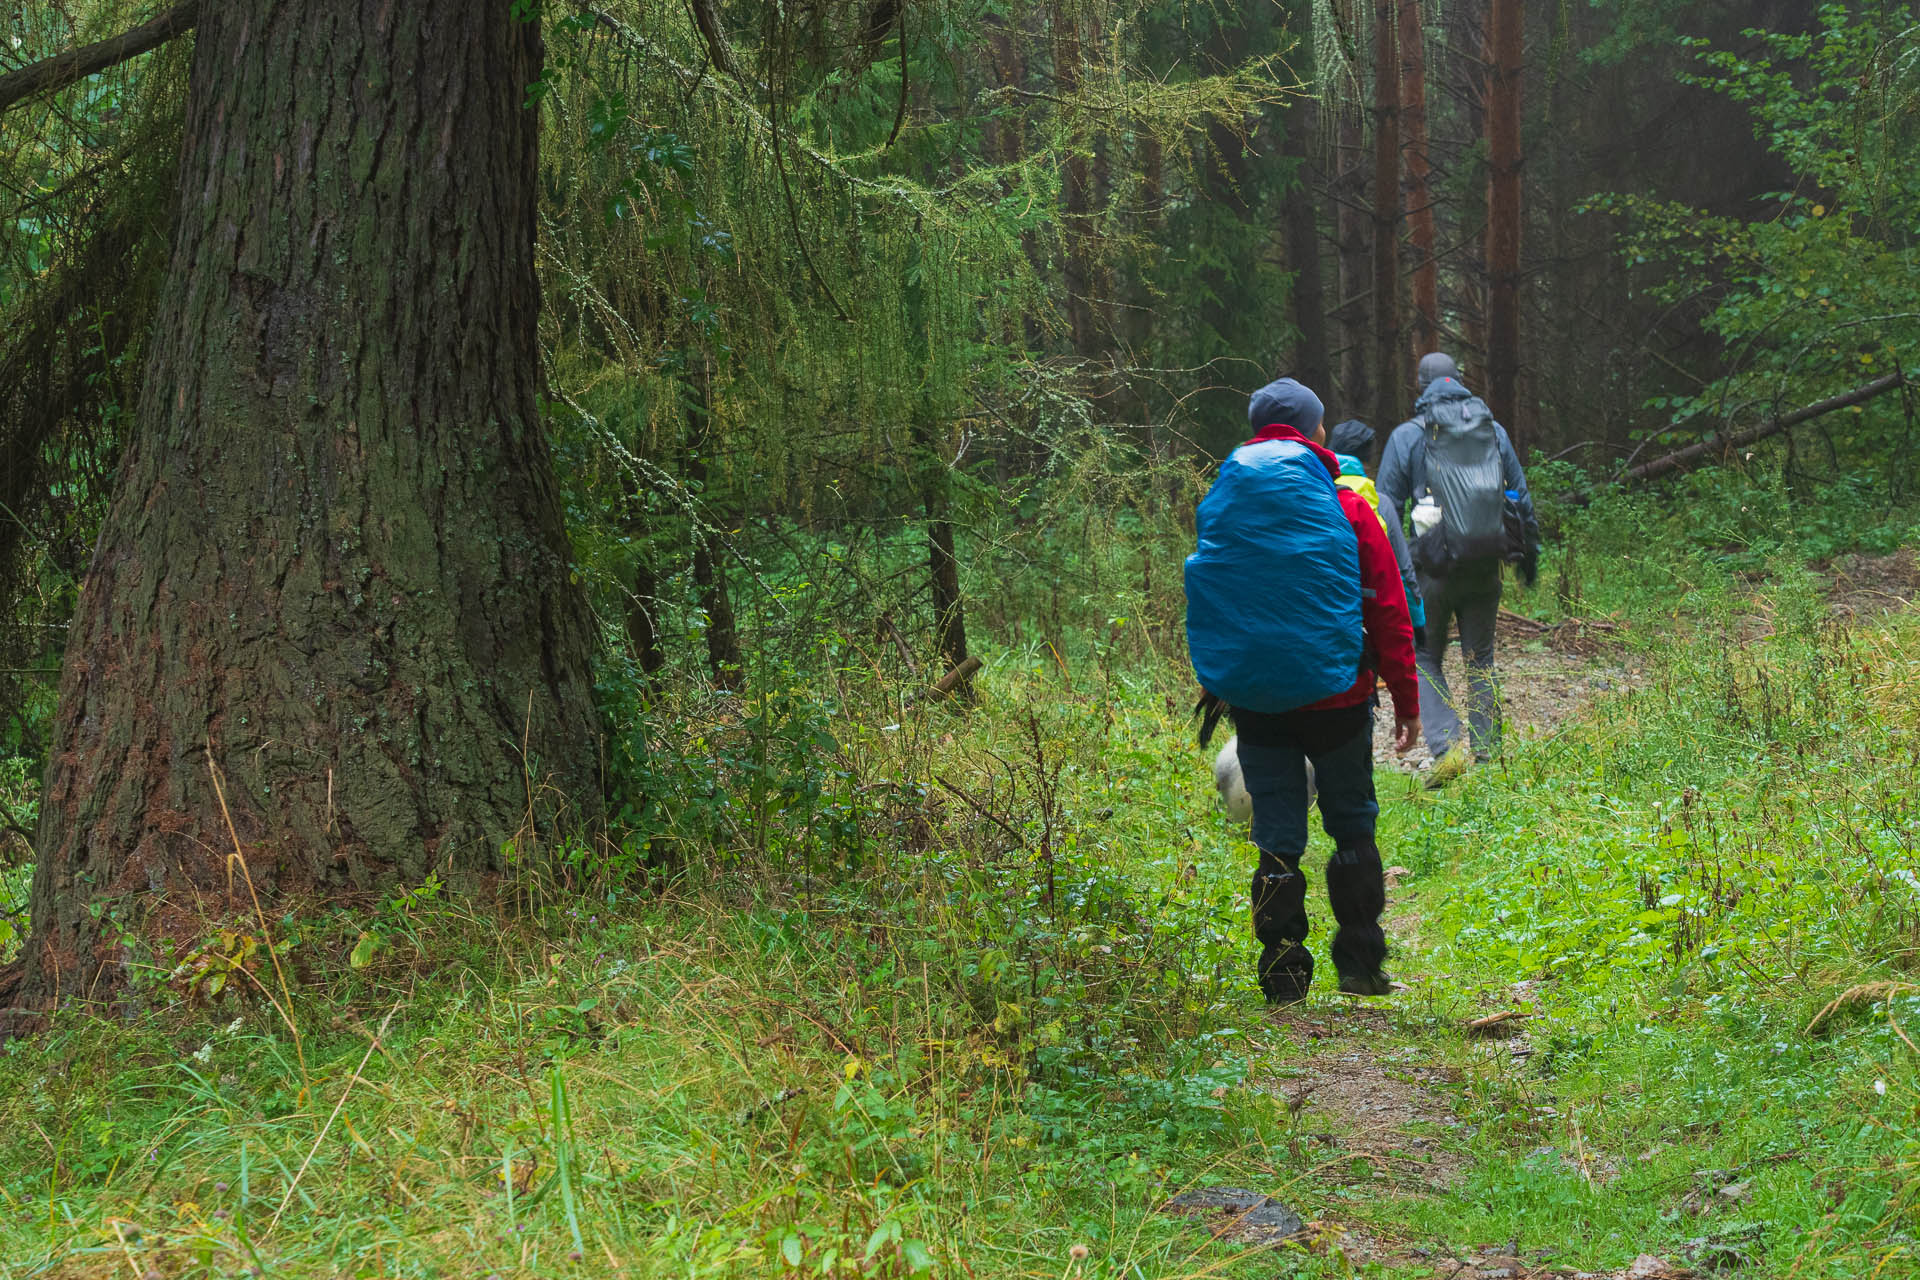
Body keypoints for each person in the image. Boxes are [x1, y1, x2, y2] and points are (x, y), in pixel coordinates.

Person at [1189, 378, 1421, 1004]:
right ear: (1317, 432)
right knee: (1352, 825)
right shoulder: (1347, 505)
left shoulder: (1227, 500)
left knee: (1277, 833)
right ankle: (1362, 967)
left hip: (1258, 702)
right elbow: (1388, 608)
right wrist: (1406, 697)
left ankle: (1284, 975)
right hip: (1340, 696)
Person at [1376, 353, 1537, 785]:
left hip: (1431, 569)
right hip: (1486, 564)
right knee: (1480, 658)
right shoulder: (1493, 431)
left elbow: (1386, 505)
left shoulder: (1408, 435)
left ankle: (1446, 747)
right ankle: (1489, 759)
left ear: (1421, 386)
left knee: (1424, 655)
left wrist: (1395, 565)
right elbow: (1519, 496)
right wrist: (1529, 560)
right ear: (1460, 382)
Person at [1326, 419, 1426, 651]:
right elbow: (1403, 570)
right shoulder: (1380, 503)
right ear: (1367, 458)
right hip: (1368, 610)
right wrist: (1418, 622)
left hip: (1324, 610)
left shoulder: (1314, 491)